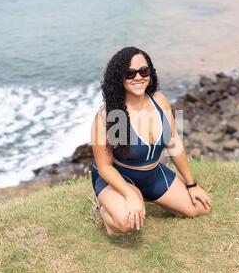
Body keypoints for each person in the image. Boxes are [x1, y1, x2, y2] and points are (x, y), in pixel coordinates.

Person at [90, 47, 212, 235]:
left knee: (202, 209)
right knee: (127, 224)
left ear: (151, 73)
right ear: (119, 78)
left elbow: (174, 144)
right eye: (130, 73)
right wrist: (129, 192)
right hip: (120, 179)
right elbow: (105, 166)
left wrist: (191, 184)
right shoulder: (110, 116)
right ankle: (107, 211)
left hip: (152, 176)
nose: (138, 77)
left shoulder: (160, 101)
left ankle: (150, 197)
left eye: (143, 71)